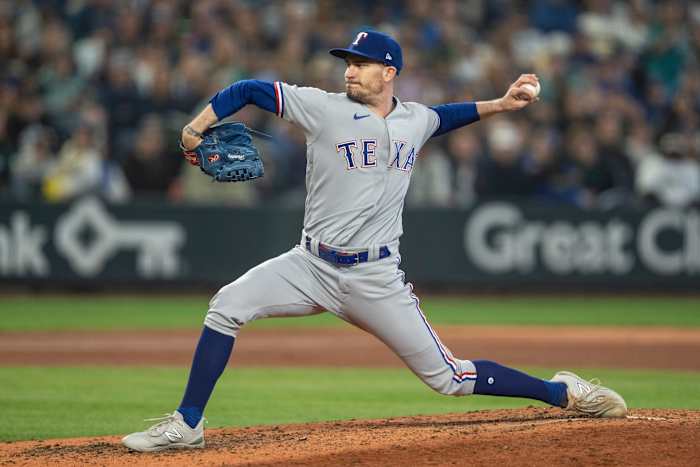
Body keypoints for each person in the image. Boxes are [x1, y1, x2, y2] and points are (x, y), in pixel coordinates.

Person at [122, 30, 627, 452]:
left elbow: (446, 116)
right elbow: (249, 90)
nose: (349, 70)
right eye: (347, 62)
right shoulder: (321, 108)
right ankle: (188, 425)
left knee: (448, 377)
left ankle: (564, 392)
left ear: (389, 73)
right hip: (310, 265)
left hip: (374, 276)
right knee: (226, 305)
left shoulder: (415, 120)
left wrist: (500, 103)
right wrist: (195, 128)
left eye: (361, 63)